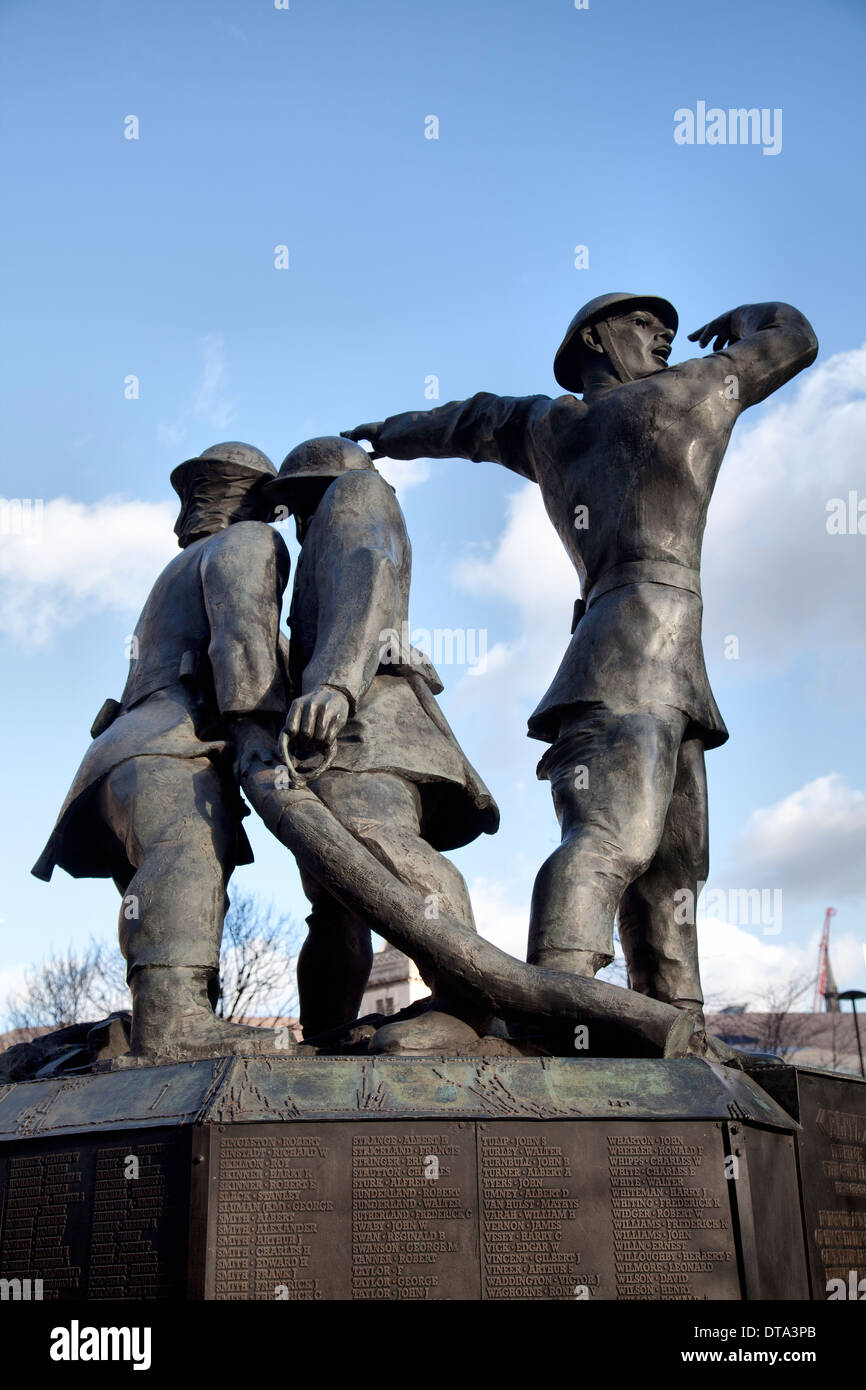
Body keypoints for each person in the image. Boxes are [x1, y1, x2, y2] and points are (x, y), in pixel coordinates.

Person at [343, 294, 818, 1025]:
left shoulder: (544, 424)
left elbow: (468, 421)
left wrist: (387, 435)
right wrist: (755, 315)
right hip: (634, 653)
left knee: (675, 865)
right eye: (643, 324)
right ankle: (554, 1008)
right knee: (613, 839)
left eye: (667, 328)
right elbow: (793, 341)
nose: (664, 335)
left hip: (657, 661)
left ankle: (678, 1024)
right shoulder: (689, 392)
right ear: (594, 338)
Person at [33, 443, 290, 1057]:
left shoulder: (175, 570)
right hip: (172, 752)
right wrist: (258, 734)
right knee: (189, 858)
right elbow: (241, 639)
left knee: (167, 887)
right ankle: (174, 1023)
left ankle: (168, 1015)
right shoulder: (248, 543)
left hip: (120, 760)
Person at [261, 435, 499, 1040]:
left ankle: (465, 1003)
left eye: (293, 506)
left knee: (381, 849)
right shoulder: (327, 530)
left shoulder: (355, 493)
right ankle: (326, 1034)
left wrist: (335, 686)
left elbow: (370, 575)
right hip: (342, 726)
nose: (293, 524)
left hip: (366, 727)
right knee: (336, 897)